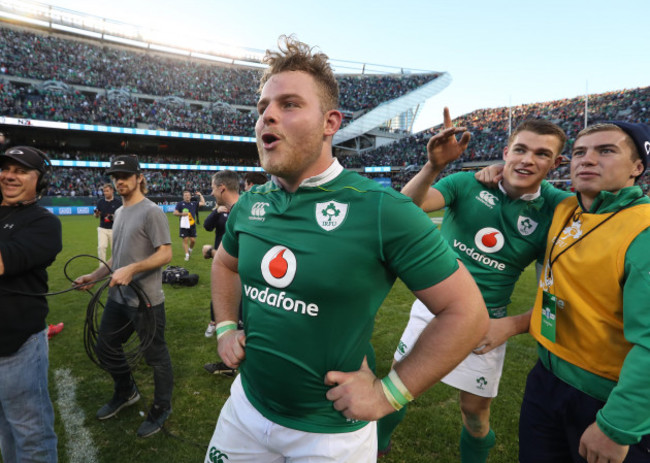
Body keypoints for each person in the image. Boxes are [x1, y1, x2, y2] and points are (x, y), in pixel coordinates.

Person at [204, 35, 488, 463]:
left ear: (330, 123)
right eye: (262, 108)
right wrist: (226, 326)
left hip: (331, 435)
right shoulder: (249, 204)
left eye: (290, 105)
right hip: (244, 410)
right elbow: (225, 265)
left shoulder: (381, 209)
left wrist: (390, 392)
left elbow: (468, 313)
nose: (267, 118)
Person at [377, 111, 571, 461]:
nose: (528, 159)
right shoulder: (466, 184)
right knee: (396, 389)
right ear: (506, 151)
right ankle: (376, 446)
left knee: (475, 415)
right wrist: (432, 167)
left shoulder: (559, 208)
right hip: (434, 309)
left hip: (486, 322)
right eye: (521, 149)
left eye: (542, 154)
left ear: (556, 163)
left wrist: (511, 326)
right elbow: (405, 209)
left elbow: (561, 292)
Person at [520, 121, 650, 463]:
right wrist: (493, 171)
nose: (586, 160)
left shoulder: (644, 230)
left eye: (606, 151)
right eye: (579, 152)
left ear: (638, 168)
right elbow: (521, 181)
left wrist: (617, 426)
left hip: (604, 397)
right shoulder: (566, 207)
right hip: (545, 377)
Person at [73, 155, 174, 438]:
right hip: (119, 298)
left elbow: (166, 253)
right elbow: (117, 260)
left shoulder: (151, 211)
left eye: (125, 175)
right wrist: (93, 276)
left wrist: (134, 268)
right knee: (105, 346)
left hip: (146, 301)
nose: (119, 180)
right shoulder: (118, 213)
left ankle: (161, 407)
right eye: (115, 176)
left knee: (156, 357)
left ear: (139, 177)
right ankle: (126, 390)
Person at [0, 146, 61, 462]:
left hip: (18, 348)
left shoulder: (44, 223)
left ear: (42, 181)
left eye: (21, 170)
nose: (9, 175)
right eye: (6, 168)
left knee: (31, 437)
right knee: (6, 433)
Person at [202, 170, 240, 338]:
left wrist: (211, 252)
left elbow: (242, 256)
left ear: (222, 188)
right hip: (225, 262)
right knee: (222, 293)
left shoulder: (242, 213)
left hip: (236, 266)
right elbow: (207, 226)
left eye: (213, 188)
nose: (211, 192)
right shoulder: (239, 209)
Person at [173, 189, 205, 261]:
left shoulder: (194, 203)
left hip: (192, 224)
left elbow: (203, 203)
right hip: (184, 225)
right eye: (185, 195)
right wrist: (181, 214)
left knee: (193, 240)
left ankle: (190, 250)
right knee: (185, 240)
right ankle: (187, 255)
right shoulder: (180, 204)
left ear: (190, 196)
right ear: (183, 197)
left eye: (188, 195)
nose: (187, 196)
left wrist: (200, 195)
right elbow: (174, 213)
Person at [94, 183, 122, 265]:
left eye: (107, 191)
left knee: (115, 249)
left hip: (114, 229)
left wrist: (112, 217)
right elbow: (96, 216)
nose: (105, 193)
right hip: (102, 228)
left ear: (112, 191)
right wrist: (96, 214)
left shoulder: (118, 202)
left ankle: (115, 265)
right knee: (101, 247)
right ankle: (102, 267)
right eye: (104, 191)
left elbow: (122, 216)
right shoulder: (100, 202)